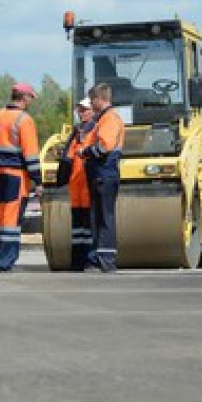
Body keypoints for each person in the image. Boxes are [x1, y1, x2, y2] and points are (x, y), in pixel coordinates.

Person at [0, 82, 43, 272]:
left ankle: (1, 260)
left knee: (3, 217)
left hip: (0, 173)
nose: (31, 101)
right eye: (30, 97)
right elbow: (31, 154)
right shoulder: (24, 119)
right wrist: (38, 180)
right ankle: (7, 262)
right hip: (16, 174)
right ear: (23, 97)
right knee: (13, 220)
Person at [79, 83, 125, 273]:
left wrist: (86, 151)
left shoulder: (109, 119)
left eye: (92, 100)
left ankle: (105, 260)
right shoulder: (104, 119)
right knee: (99, 217)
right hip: (102, 173)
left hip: (104, 173)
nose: (90, 104)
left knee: (104, 217)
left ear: (100, 99)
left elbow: (104, 146)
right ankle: (100, 257)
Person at [64, 97, 95, 271]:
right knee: (77, 230)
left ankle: (90, 260)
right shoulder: (77, 132)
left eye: (84, 109)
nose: (81, 113)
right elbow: (68, 158)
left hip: (88, 185)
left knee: (89, 228)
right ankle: (77, 261)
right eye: (79, 110)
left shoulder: (95, 131)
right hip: (76, 187)